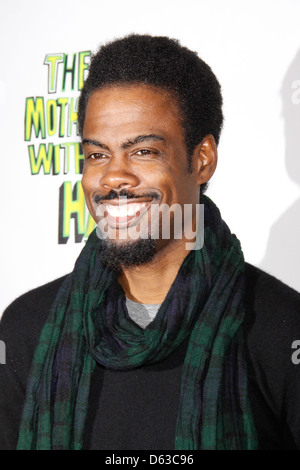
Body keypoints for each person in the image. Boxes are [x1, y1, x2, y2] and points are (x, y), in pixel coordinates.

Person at [1, 34, 300, 451]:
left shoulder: (280, 328)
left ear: (202, 160)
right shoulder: (25, 330)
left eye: (142, 151)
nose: (113, 178)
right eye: (97, 155)